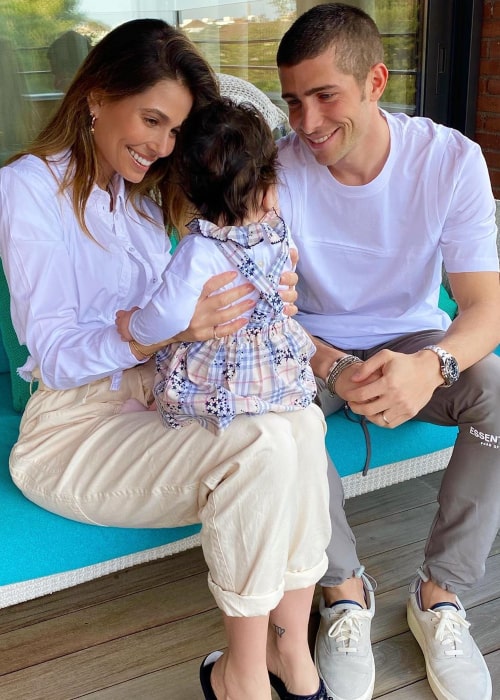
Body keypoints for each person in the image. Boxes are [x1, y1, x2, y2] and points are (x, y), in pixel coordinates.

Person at [0, 18, 332, 700]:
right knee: (266, 439)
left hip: (160, 404)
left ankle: (289, 656)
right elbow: (57, 355)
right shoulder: (30, 188)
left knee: (297, 422)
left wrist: (261, 298)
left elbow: (193, 321)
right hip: (72, 432)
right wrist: (155, 332)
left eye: (176, 132)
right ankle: (244, 675)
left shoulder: (149, 208)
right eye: (152, 119)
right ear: (96, 95)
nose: (160, 146)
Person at [275, 4, 500, 700]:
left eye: (325, 97)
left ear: (375, 80)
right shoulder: (277, 170)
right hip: (311, 344)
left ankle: (440, 597)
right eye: (292, 102)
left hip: (414, 340)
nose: (307, 123)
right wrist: (332, 364)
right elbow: (267, 313)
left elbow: (486, 308)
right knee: (275, 411)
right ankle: (343, 593)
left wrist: (432, 365)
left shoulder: (450, 160)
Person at [115, 97, 316, 435]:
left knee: (175, 384)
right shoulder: (280, 236)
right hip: (275, 372)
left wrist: (132, 325)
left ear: (190, 194)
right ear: (269, 189)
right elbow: (285, 278)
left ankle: (153, 414)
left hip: (219, 374)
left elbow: (167, 316)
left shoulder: (200, 250)